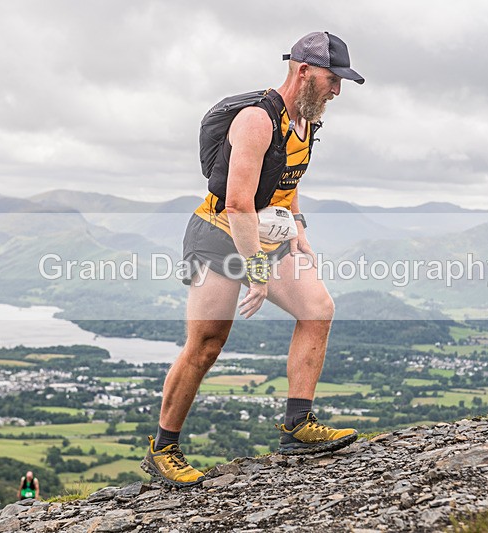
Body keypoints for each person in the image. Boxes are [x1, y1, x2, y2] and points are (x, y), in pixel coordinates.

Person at [141, 31, 365, 488]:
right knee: (207, 344)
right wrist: (258, 272)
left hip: (265, 233)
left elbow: (288, 176)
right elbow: (238, 204)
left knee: (318, 309)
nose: (337, 90)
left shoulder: (306, 120)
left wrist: (299, 230)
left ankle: (298, 426)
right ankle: (163, 448)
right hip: (219, 235)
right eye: (332, 78)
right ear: (303, 72)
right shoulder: (257, 120)